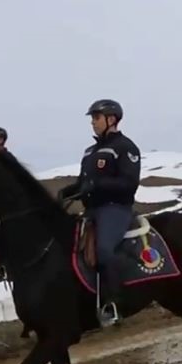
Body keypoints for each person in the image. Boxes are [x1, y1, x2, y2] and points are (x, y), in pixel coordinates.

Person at [58, 99, 141, 326]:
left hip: (115, 209)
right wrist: (68, 191)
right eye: (92, 119)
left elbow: (129, 182)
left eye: (96, 118)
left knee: (103, 249)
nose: (92, 123)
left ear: (111, 119)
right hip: (91, 210)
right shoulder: (90, 151)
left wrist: (98, 185)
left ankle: (114, 304)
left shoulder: (125, 147)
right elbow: (85, 181)